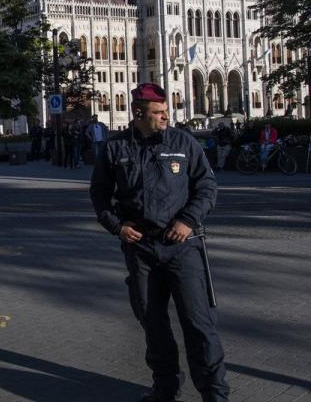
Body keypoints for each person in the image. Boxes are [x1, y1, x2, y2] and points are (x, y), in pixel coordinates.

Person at [90, 83, 230, 402]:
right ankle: (165, 389)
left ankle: (215, 394)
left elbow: (207, 187)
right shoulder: (115, 148)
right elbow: (99, 194)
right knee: (153, 324)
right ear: (138, 113)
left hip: (183, 247)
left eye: (167, 111)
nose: (166, 116)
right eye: (158, 113)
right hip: (141, 250)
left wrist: (188, 220)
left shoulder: (184, 143)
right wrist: (117, 226)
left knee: (198, 324)